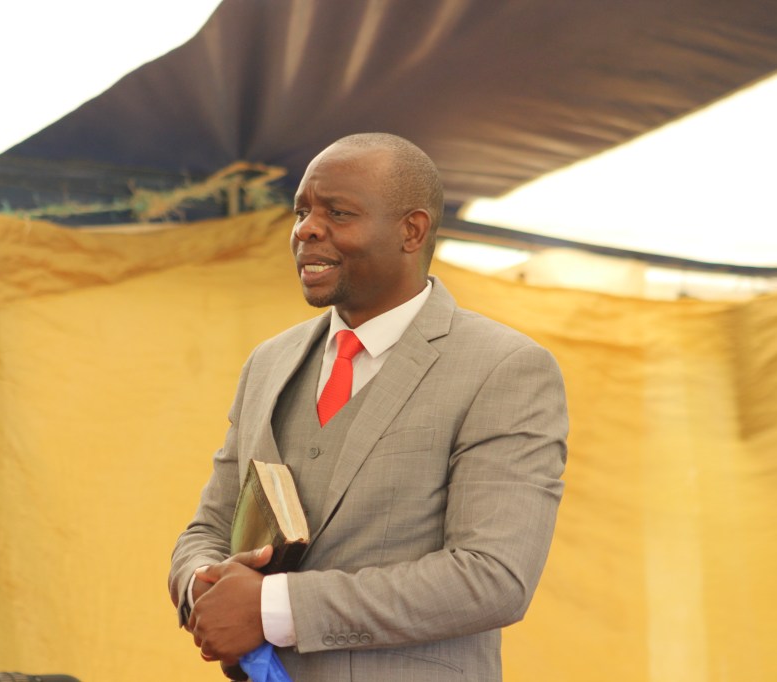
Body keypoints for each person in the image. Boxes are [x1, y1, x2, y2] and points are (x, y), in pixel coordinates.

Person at [169, 132, 568, 681]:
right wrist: (204, 587)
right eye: (302, 212)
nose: (306, 229)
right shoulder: (269, 362)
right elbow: (207, 530)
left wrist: (274, 608)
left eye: (338, 212)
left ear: (412, 230)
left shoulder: (504, 368)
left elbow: (493, 577)